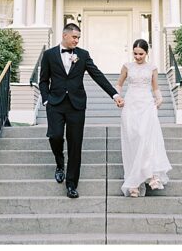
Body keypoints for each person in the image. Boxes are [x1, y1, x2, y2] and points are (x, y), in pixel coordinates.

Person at [38, 23, 124, 199]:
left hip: (76, 105)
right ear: (64, 36)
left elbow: (97, 75)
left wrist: (114, 95)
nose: (77, 41)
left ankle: (71, 184)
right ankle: (59, 163)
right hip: (55, 103)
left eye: (78, 38)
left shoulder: (83, 55)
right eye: (74, 37)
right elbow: (43, 80)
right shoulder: (49, 55)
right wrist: (46, 99)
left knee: (75, 144)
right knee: (54, 136)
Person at [116, 39, 172, 197]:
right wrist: (117, 97)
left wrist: (159, 98)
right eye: (135, 53)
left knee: (146, 138)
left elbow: (155, 87)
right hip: (131, 105)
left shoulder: (152, 68)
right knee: (133, 140)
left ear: (147, 53)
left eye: (141, 54)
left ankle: (151, 174)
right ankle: (133, 182)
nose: (138, 56)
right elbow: (119, 84)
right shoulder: (127, 66)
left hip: (147, 105)